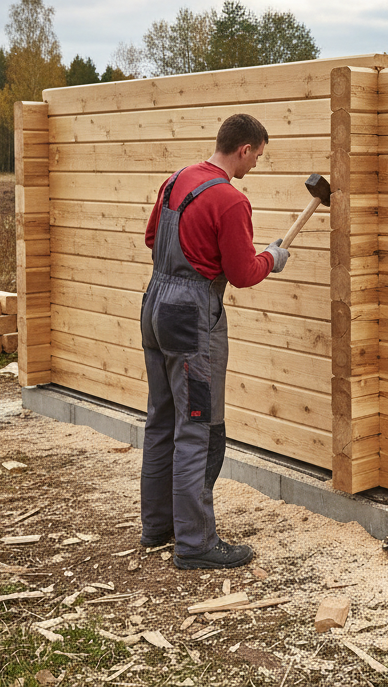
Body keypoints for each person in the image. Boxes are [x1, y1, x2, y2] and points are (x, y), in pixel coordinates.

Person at [140, 113, 290, 568]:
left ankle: (158, 526)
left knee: (161, 419)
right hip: (191, 319)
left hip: (154, 306)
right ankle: (195, 544)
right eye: (258, 156)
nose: (257, 165)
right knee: (199, 429)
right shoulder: (229, 200)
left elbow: (152, 239)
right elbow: (243, 275)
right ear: (243, 149)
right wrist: (272, 258)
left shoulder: (176, 180)